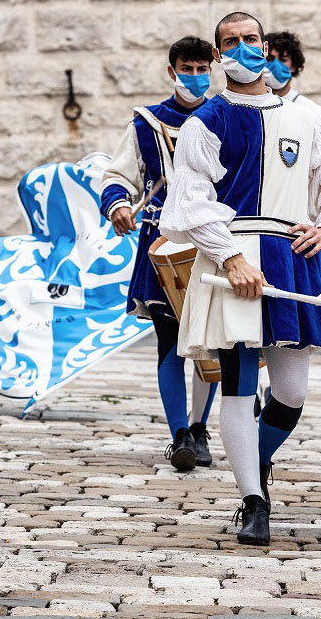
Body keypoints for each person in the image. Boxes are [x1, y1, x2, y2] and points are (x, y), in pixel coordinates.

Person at [160, 11, 321, 545]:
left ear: (265, 45)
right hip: (236, 262)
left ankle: (257, 460)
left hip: (292, 260)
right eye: (234, 41)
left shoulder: (306, 118)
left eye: (253, 39)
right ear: (219, 53)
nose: (246, 48)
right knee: (238, 383)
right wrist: (229, 258)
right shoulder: (208, 121)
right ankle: (253, 500)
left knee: (292, 392)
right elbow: (191, 201)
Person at [101, 36, 220, 473]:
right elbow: (117, 175)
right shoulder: (147, 123)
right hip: (161, 245)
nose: (194, 77)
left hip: (213, 241)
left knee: (212, 340)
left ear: (213, 69)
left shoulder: (224, 115)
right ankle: (180, 436)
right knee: (170, 341)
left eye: (201, 68)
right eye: (186, 69)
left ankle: (201, 427)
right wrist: (117, 206)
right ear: (172, 72)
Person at [263, 31, 321, 131]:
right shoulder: (250, 106)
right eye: (270, 59)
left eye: (283, 59)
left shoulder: (313, 113)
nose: (276, 65)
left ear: (294, 67)